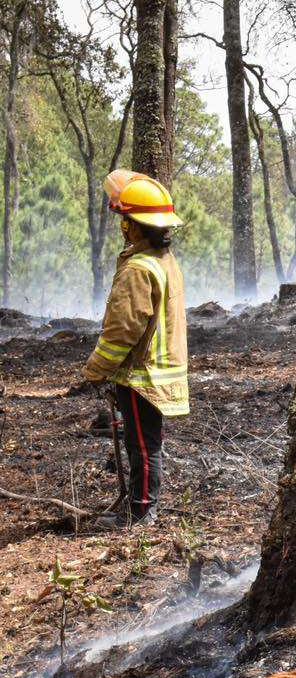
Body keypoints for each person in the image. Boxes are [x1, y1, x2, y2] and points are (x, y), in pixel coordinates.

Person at [82, 170, 188, 529]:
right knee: (143, 442)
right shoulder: (162, 261)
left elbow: (121, 331)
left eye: (124, 220)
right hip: (156, 371)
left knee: (142, 446)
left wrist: (96, 369)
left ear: (132, 226)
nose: (122, 226)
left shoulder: (137, 270)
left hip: (143, 375)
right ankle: (138, 505)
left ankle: (142, 512)